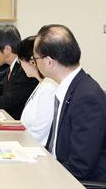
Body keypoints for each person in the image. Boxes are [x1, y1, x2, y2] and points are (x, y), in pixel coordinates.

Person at [34, 24, 106, 182]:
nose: (35, 63)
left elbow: (80, 167)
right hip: (57, 171)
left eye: (35, 59)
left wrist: (41, 178)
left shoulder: (87, 97)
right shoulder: (71, 87)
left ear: (49, 61)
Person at [17, 36, 56, 146]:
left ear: (32, 62)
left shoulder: (49, 88)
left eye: (20, 62)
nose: (21, 67)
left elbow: (39, 133)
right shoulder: (42, 83)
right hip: (28, 144)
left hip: (36, 150)